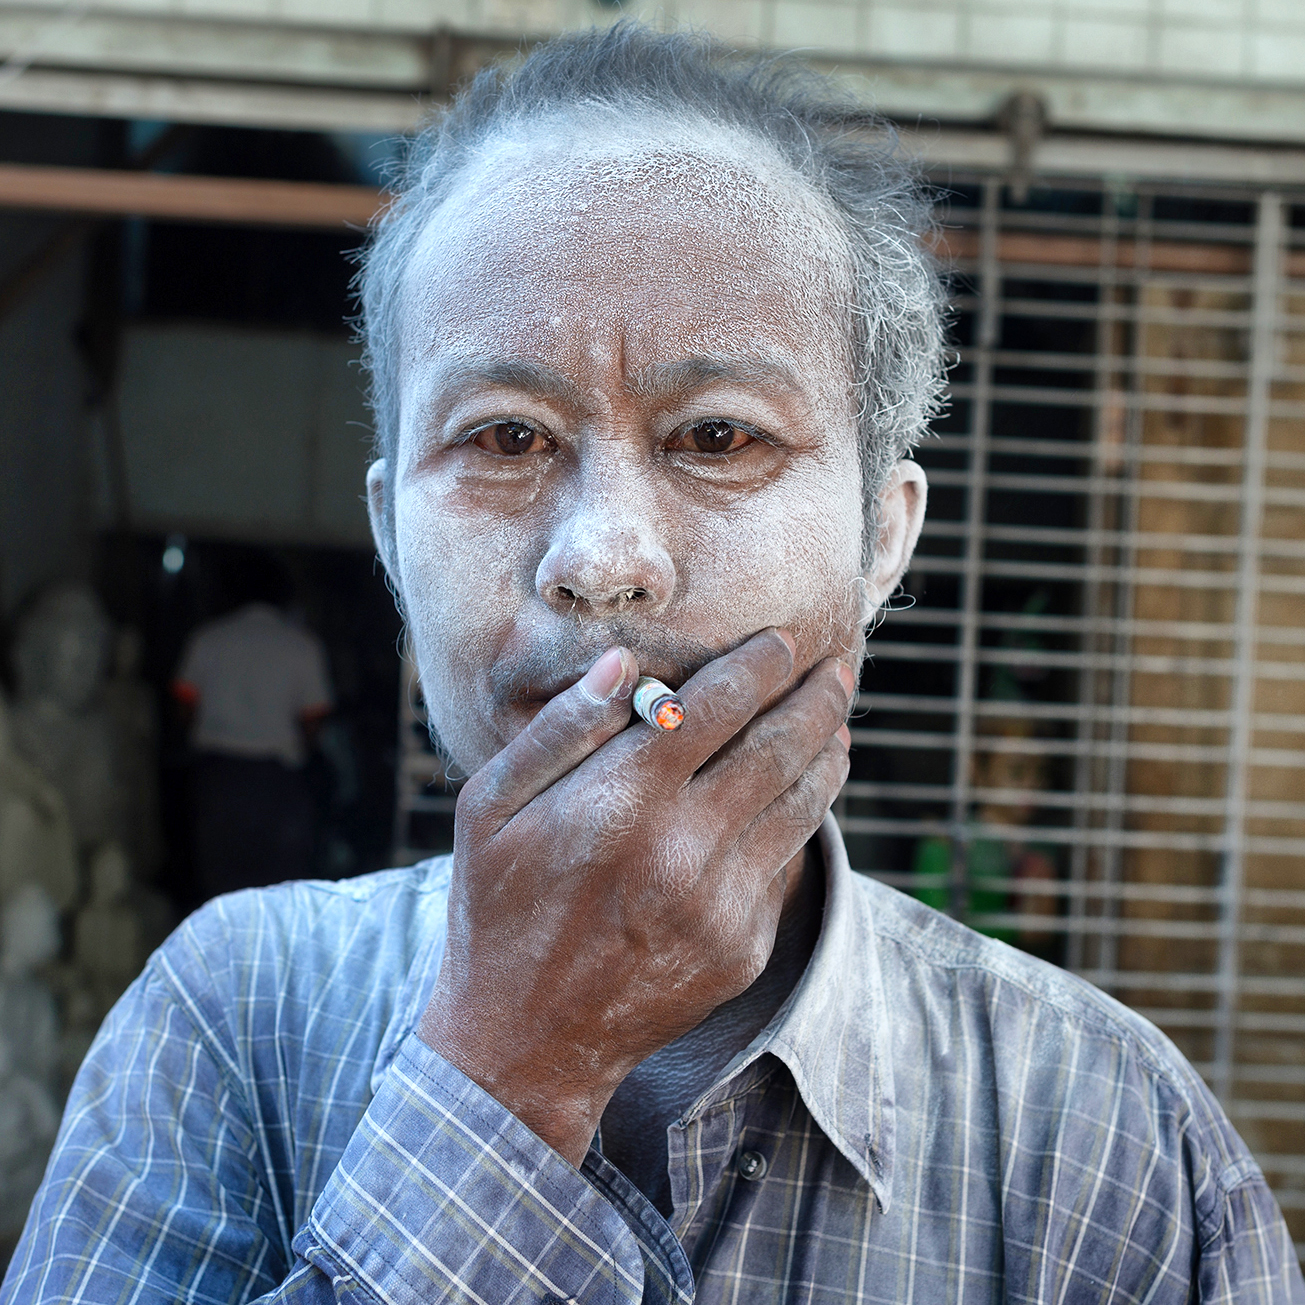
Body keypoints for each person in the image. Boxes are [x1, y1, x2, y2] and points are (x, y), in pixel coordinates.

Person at [4, 26, 1301, 1304]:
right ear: (390, 535)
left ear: (881, 539)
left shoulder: (1112, 1146)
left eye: (719, 435)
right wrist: (514, 1073)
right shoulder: (234, 1022)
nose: (603, 560)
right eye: (505, 438)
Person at [172, 550, 333, 896]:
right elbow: (314, 718)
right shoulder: (302, 646)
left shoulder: (207, 639)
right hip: (276, 781)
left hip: (218, 777)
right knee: (277, 887)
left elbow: (185, 704)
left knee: (219, 883)